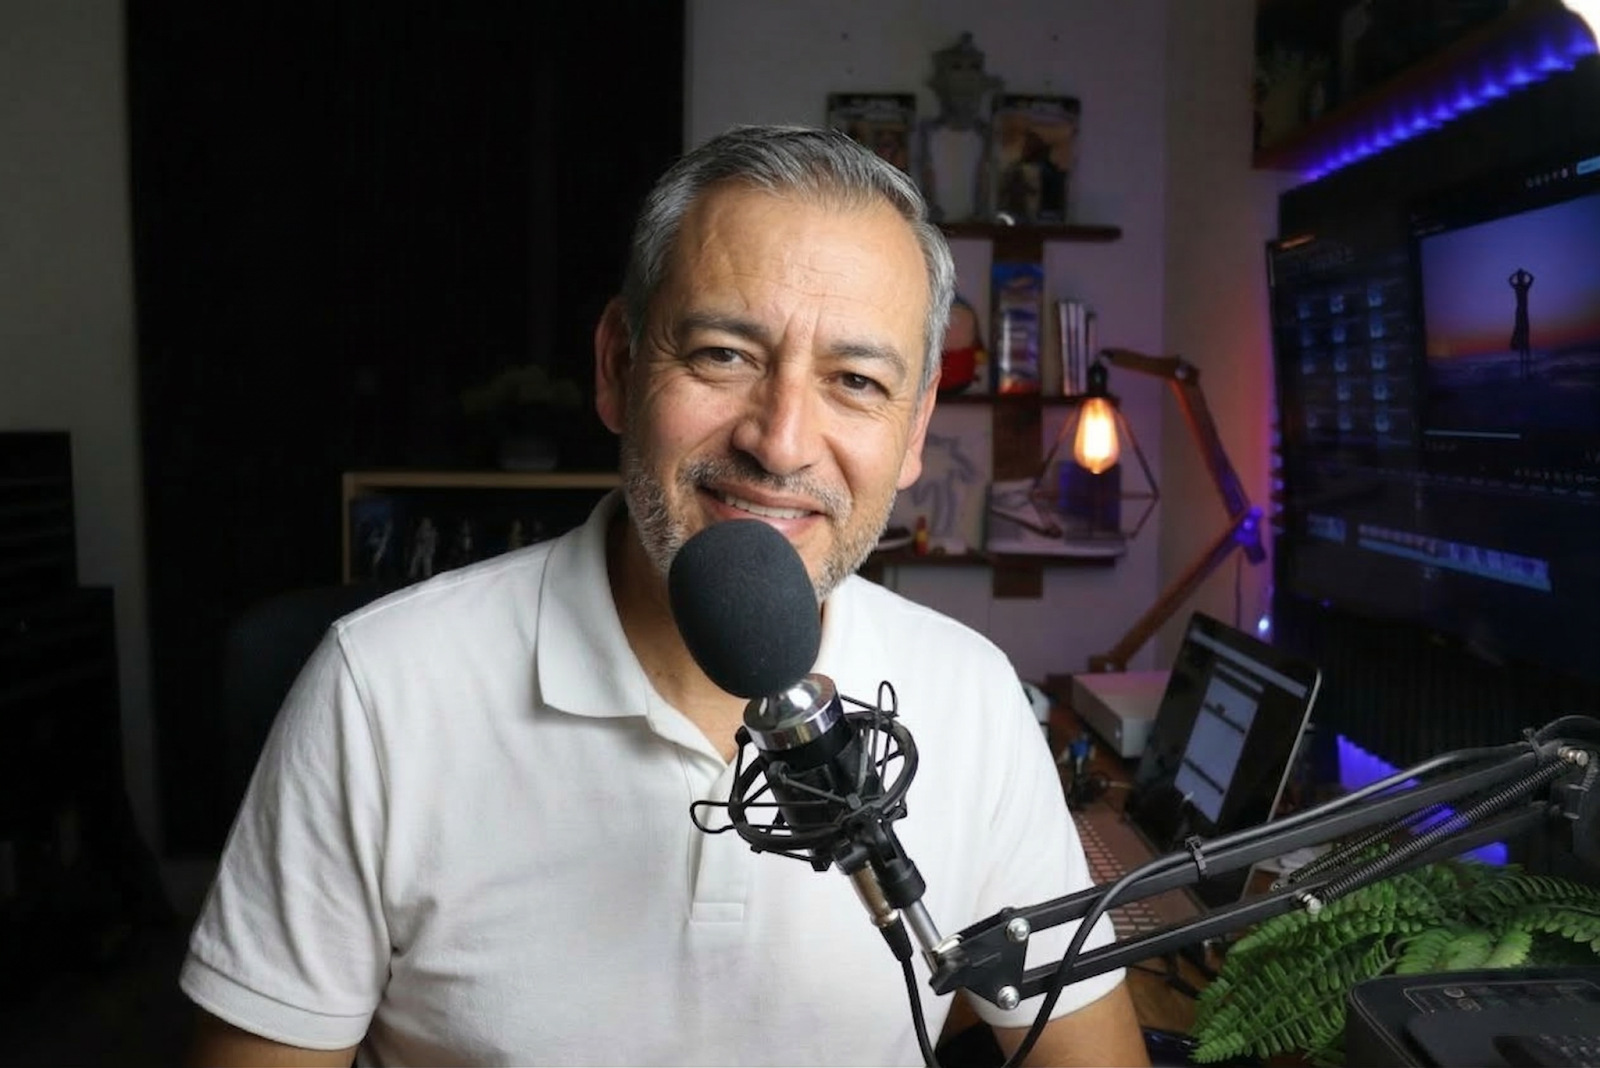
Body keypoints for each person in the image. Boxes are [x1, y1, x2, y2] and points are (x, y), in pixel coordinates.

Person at [181, 124, 1149, 1067]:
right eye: (724, 355)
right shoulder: (379, 693)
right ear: (616, 366)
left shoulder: (972, 696)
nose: (778, 441)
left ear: (912, 430)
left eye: (854, 380)